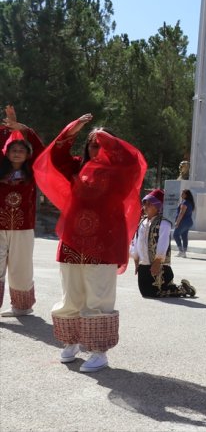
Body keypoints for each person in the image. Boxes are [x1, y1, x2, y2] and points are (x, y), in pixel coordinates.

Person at [33, 114, 146, 373]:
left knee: (99, 295)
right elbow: (56, 158)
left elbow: (132, 161)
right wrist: (73, 130)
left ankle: (98, 350)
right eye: (93, 144)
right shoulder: (77, 167)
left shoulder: (121, 173)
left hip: (104, 241)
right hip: (73, 238)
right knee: (71, 293)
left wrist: (107, 138)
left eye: (103, 144)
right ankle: (71, 342)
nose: (97, 148)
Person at [0, 106, 45, 317]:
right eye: (13, 150)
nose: (17, 152)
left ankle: (22, 307)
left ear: (27, 154)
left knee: (21, 268)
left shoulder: (33, 171)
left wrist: (23, 129)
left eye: (21, 150)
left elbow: (42, 150)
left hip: (23, 227)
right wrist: (8, 129)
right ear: (6, 153)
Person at [130, 189, 196, 298]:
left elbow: (163, 243)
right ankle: (179, 288)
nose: (145, 206)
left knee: (157, 292)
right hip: (144, 265)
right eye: (145, 203)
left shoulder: (164, 223)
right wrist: (136, 259)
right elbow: (137, 241)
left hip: (158, 265)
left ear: (157, 206)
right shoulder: (142, 222)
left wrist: (157, 261)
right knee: (146, 293)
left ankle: (183, 289)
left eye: (149, 203)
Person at [173, 189, 195, 258]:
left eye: (182, 193)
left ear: (186, 195)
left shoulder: (185, 203)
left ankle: (181, 251)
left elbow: (181, 213)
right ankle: (184, 253)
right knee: (184, 236)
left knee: (175, 235)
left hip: (183, 222)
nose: (181, 195)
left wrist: (177, 222)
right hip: (189, 222)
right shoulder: (190, 202)